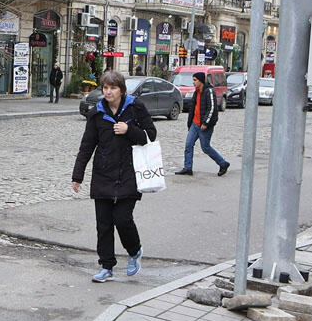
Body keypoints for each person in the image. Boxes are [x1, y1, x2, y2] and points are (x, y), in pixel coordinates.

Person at [72, 70, 156, 283]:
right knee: (104, 223)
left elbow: (151, 135)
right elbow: (86, 146)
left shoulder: (135, 107)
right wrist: (77, 175)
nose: (108, 92)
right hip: (103, 173)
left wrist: (129, 129)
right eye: (105, 88)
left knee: (122, 218)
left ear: (121, 90)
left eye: (113, 88)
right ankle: (106, 266)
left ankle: (135, 251)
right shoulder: (97, 113)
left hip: (130, 172)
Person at [175, 71, 230, 177]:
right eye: (193, 80)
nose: (193, 82)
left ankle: (223, 163)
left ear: (201, 81)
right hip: (195, 124)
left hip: (205, 125)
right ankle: (188, 168)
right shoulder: (196, 92)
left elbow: (212, 108)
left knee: (205, 148)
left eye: (195, 80)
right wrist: (190, 122)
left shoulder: (209, 91)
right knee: (188, 145)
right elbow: (193, 107)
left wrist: (206, 123)